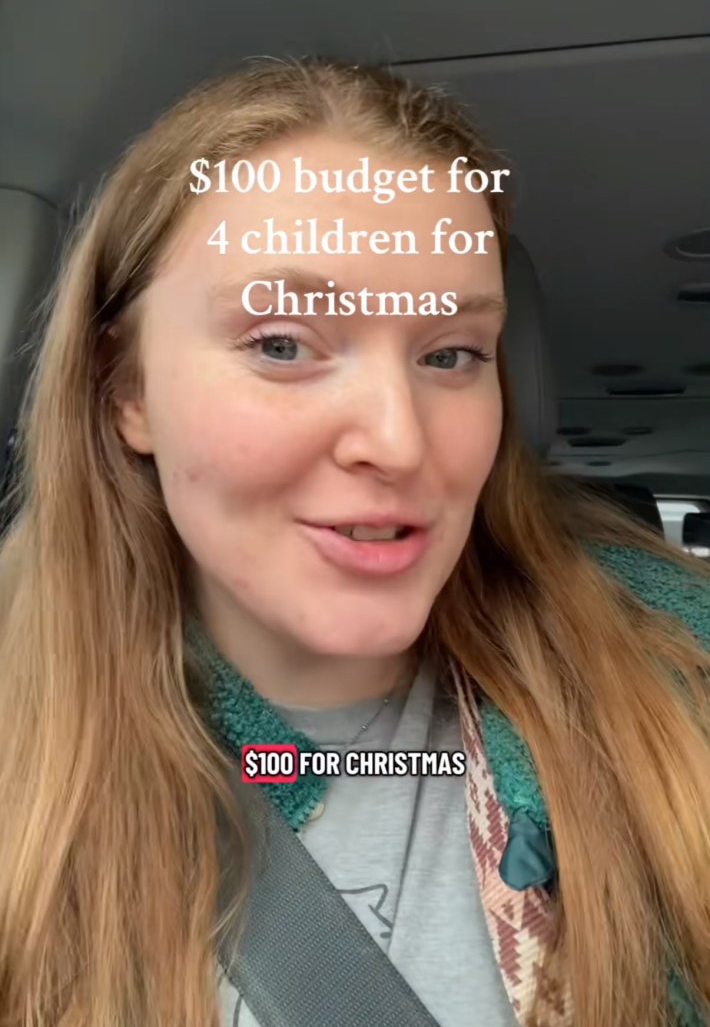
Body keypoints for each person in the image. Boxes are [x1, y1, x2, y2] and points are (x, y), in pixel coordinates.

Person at [0, 58, 708, 1027]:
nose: (399, 441)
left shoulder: (675, 679)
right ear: (125, 389)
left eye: (450, 354)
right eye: (282, 344)